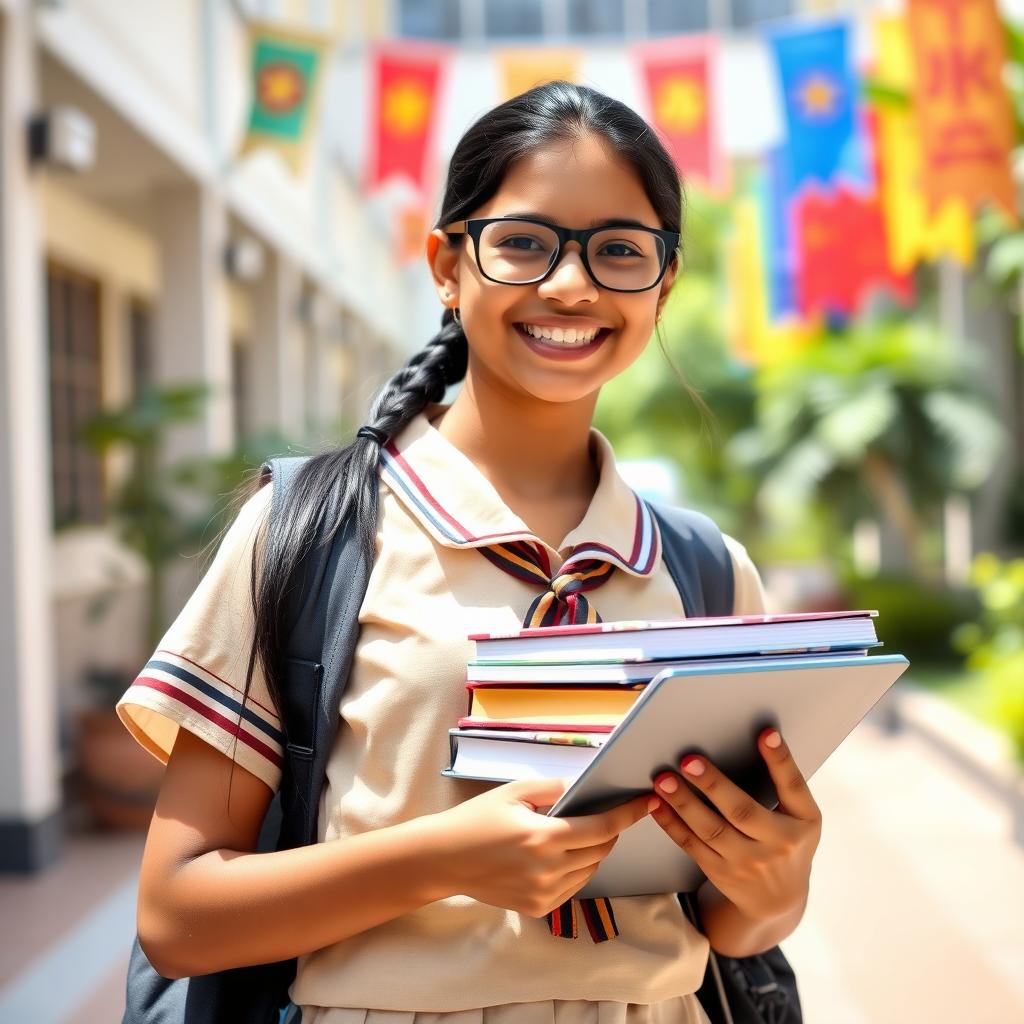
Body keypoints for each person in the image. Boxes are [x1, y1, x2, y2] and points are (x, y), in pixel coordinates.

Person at [117, 81, 822, 1024]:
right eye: (526, 243)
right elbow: (177, 913)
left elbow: (738, 929)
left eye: (619, 251)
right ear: (448, 265)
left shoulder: (706, 570)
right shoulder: (313, 533)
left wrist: (775, 880)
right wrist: (443, 858)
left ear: (664, 284)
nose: (571, 286)